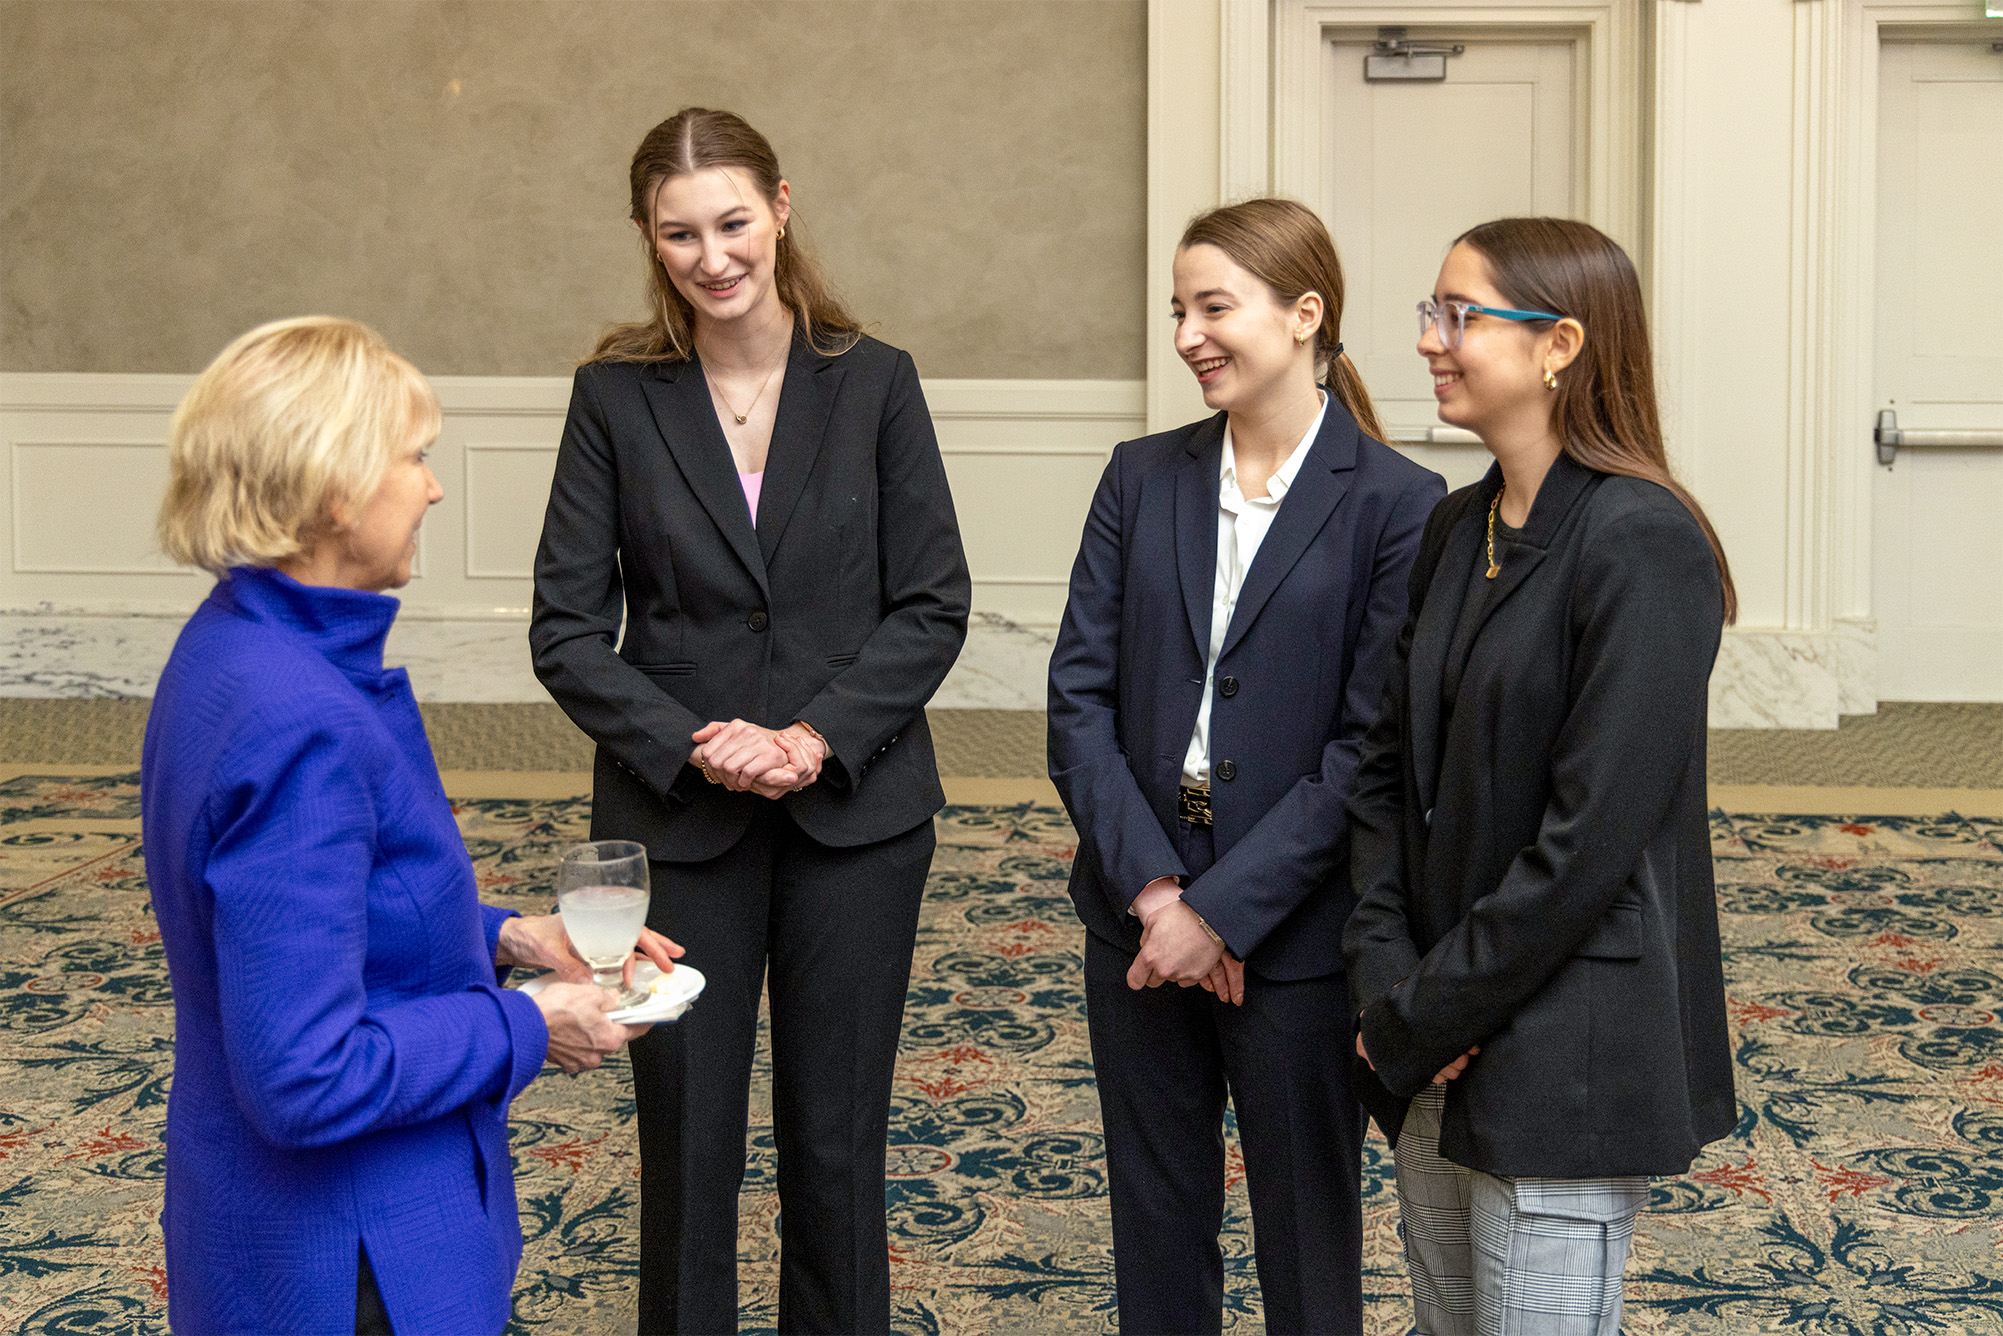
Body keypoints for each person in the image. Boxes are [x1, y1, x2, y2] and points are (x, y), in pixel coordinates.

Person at [143, 316, 678, 1336]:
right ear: (335, 488)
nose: (433, 486)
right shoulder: (298, 715)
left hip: (263, 1222)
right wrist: (530, 1021)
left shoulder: (229, 645)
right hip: (350, 1255)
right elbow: (304, 1074)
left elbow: (305, 915)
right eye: (416, 455)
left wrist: (508, 935)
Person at [530, 107, 970, 1335]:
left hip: (857, 817)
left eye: (731, 222)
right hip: (677, 825)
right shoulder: (614, 396)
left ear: (779, 205)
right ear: (646, 238)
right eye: (680, 233)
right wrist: (693, 739)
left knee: (836, 1145)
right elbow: (563, 629)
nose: (712, 256)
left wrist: (812, 737)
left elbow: (933, 602)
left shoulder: (874, 380)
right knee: (686, 1151)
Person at [1048, 197, 1446, 1334]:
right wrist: (1159, 895)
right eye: (1178, 308)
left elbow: (1365, 751)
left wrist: (1221, 913)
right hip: (1135, 909)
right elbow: (1075, 700)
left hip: (1293, 932)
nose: (1186, 333)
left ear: (1303, 314)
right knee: (1154, 1221)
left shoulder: (1397, 506)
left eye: (1212, 306)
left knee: (1305, 1233)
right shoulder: (1139, 476)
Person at [1344, 217, 1739, 1336]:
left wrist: (1429, 1008)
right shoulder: (1452, 524)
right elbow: (1383, 774)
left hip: (1558, 1043)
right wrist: (1387, 984)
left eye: (1457, 316)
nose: (1429, 339)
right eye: (1431, 313)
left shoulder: (1640, 540)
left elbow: (1588, 843)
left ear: (1559, 343)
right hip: (1425, 1029)